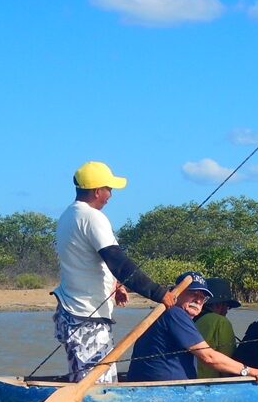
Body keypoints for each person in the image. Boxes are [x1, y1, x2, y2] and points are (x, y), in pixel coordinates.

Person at [53, 161, 175, 384]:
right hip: (86, 317)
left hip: (73, 313)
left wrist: (116, 284)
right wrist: (159, 293)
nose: (111, 195)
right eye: (109, 189)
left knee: (90, 379)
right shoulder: (92, 217)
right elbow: (118, 262)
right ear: (97, 191)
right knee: (97, 386)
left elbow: (90, 260)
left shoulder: (68, 215)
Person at [127, 272, 258, 384]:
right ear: (174, 293)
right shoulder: (174, 313)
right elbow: (208, 357)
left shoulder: (172, 315)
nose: (198, 300)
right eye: (193, 293)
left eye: (203, 297)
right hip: (162, 393)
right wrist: (249, 371)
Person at [194, 277, 240, 379]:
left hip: (191, 380)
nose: (227, 311)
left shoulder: (189, 319)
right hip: (210, 383)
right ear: (219, 305)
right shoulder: (221, 322)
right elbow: (228, 363)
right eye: (227, 306)